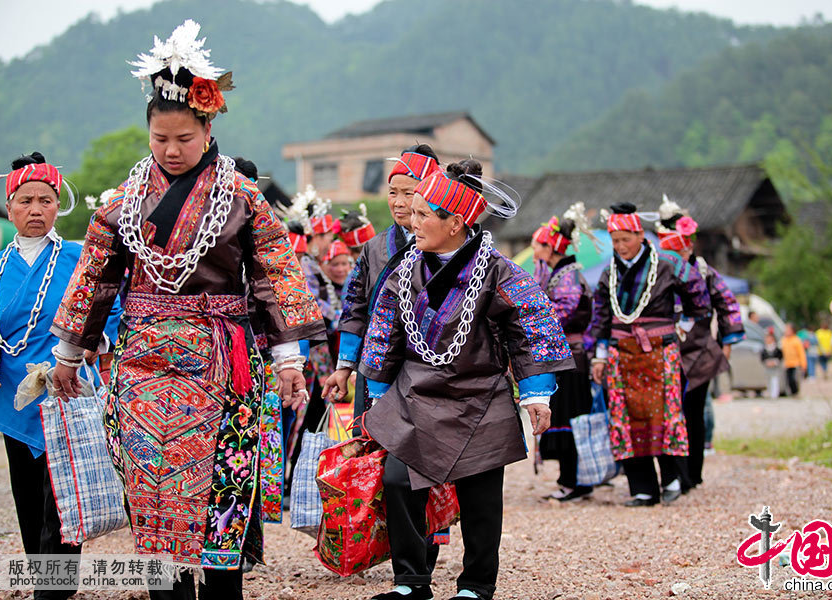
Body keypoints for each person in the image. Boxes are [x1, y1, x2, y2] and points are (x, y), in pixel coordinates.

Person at [49, 21, 325, 599]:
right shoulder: (123, 204)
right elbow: (94, 278)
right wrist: (70, 355)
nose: (171, 151)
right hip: (145, 368)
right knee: (154, 500)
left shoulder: (243, 198)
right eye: (159, 139)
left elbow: (276, 276)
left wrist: (289, 357)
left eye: (184, 139)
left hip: (225, 365)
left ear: (208, 127)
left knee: (227, 488)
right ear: (147, 133)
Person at [358, 160, 572, 600]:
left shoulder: (498, 271)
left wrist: (535, 393)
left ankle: (476, 585)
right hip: (416, 393)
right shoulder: (404, 270)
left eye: (422, 215)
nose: (410, 222)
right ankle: (410, 582)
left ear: (455, 223)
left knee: (480, 493)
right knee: (398, 480)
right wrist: (376, 392)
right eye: (411, 211)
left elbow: (533, 327)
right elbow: (384, 331)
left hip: (479, 395)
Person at [0, 152, 122, 600]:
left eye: (45, 200)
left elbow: (111, 311)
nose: (35, 209)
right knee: (27, 498)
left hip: (68, 395)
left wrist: (92, 344)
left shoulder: (80, 258)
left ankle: (54, 591)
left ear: (57, 206)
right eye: (25, 200)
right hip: (14, 397)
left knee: (64, 496)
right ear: (9, 207)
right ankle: (45, 580)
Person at [589, 202, 710, 507]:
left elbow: (698, 294)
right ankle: (642, 488)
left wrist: (682, 326)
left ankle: (671, 480)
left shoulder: (666, 264)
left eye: (625, 240)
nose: (620, 247)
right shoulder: (609, 274)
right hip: (620, 354)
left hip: (660, 350)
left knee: (665, 416)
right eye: (615, 241)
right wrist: (599, 356)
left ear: (641, 235)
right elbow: (600, 318)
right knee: (625, 420)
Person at [326, 144, 441, 423]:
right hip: (376, 366)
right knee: (373, 450)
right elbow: (354, 306)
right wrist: (344, 367)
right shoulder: (374, 248)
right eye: (393, 193)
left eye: (408, 193)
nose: (399, 202)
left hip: (428, 368)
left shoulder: (445, 246)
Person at [655, 196, 743, 490]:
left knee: (693, 412)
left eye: (675, 244)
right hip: (666, 350)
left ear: (688, 244)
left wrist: (726, 342)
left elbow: (728, 305)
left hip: (700, 350)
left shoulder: (704, 271)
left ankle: (692, 473)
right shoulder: (656, 270)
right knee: (669, 413)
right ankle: (674, 474)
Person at [530, 213, 595, 501]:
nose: (534, 251)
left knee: (571, 419)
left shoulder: (568, 276)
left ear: (550, 247)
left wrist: (533, 319)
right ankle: (572, 480)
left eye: (537, 245)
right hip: (564, 357)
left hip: (571, 358)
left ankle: (574, 482)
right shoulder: (558, 274)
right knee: (570, 417)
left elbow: (560, 313)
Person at [781, 324, 806, 397]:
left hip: (796, 363)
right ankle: (791, 393)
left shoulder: (796, 340)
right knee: (788, 380)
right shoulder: (784, 340)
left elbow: (801, 353)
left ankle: (796, 393)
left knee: (794, 379)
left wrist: (803, 364)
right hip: (787, 364)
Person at [761, 332, 783, 400]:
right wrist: (766, 362)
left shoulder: (776, 349)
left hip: (775, 367)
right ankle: (770, 393)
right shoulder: (765, 349)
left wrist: (775, 362)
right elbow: (762, 358)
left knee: (775, 380)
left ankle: (775, 394)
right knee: (768, 380)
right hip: (768, 367)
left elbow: (780, 356)